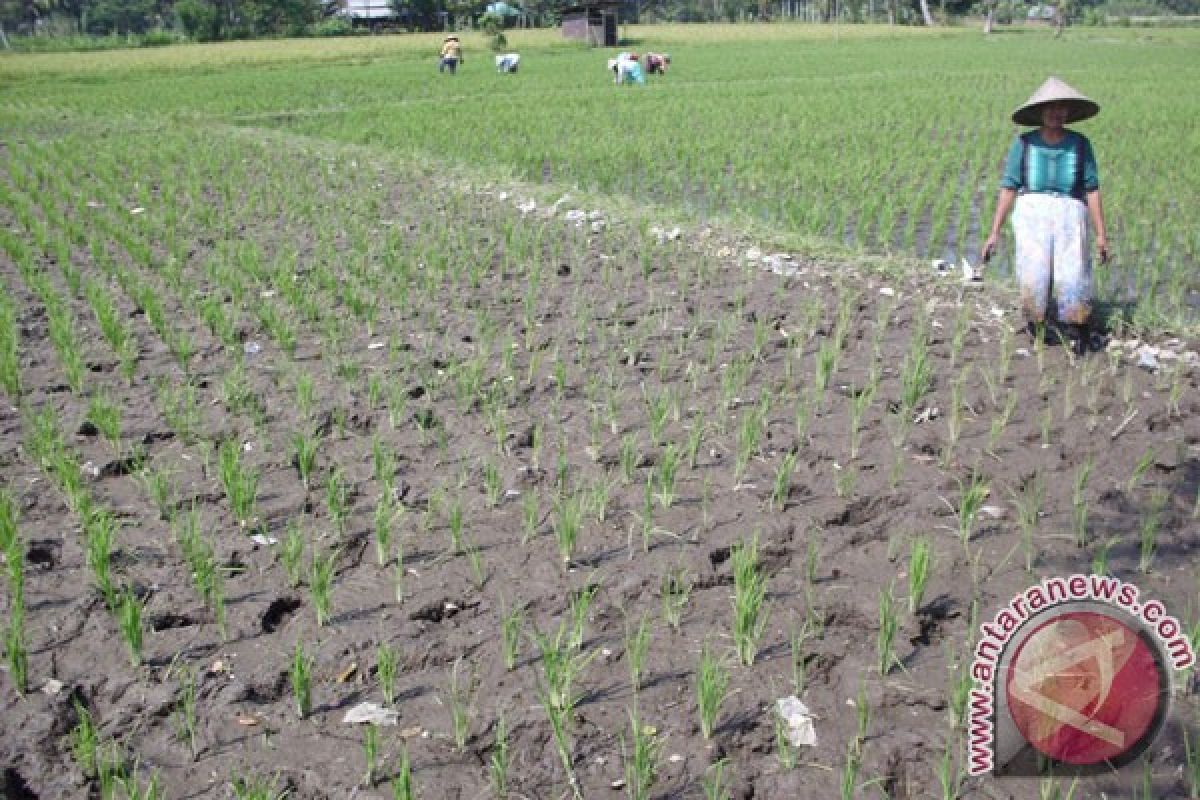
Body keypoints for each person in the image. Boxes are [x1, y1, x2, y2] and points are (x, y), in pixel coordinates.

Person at [982, 76, 1109, 355]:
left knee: (1073, 272)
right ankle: (1036, 324)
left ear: (1068, 112)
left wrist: (1101, 235)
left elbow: (1092, 189)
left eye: (1061, 108)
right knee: (1034, 271)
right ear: (1040, 112)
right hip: (1032, 213)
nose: (1056, 113)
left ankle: (1077, 329)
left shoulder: (1080, 144)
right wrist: (994, 231)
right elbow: (1009, 186)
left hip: (1070, 213)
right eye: (1050, 108)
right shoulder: (1025, 144)